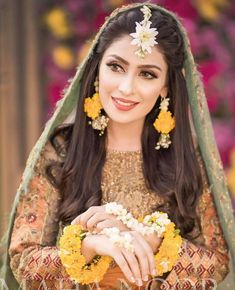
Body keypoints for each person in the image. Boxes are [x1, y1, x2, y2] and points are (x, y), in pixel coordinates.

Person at [0, 2, 234, 290]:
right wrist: (91, 245)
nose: (126, 88)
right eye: (116, 67)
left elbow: (218, 262)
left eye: (147, 74)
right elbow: (22, 262)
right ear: (96, 68)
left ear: (165, 87)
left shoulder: (184, 159)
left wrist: (153, 239)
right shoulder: (62, 151)